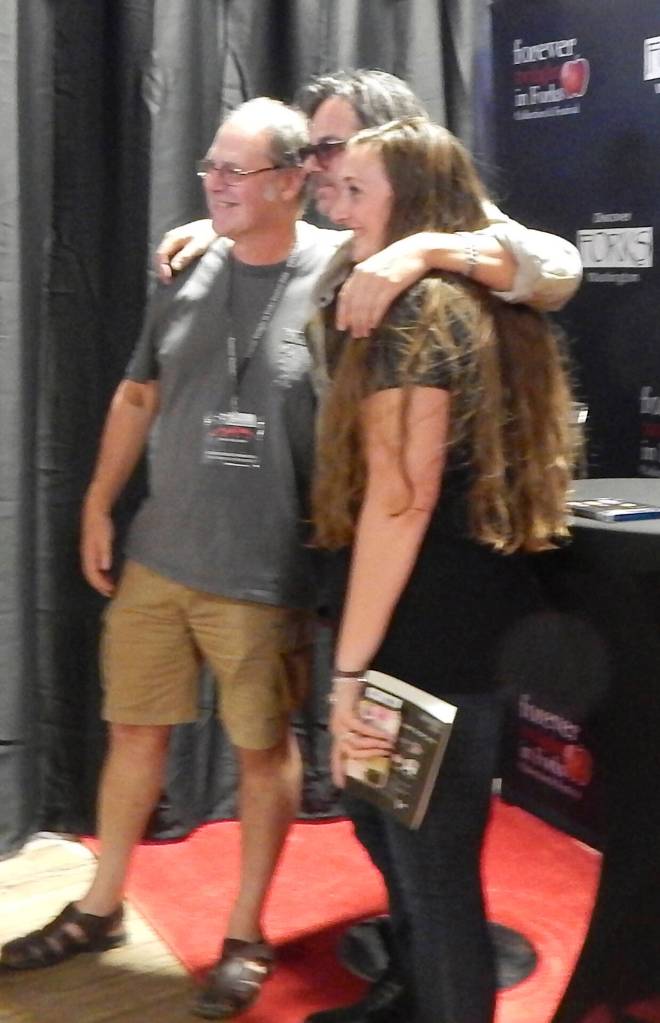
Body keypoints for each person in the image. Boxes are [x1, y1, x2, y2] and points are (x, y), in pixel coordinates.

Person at [0, 97, 344, 1022]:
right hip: (160, 557)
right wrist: (97, 503)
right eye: (209, 168)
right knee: (132, 730)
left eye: (235, 170)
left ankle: (244, 932)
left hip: (264, 573)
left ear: (291, 179)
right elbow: (136, 394)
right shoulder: (187, 265)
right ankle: (100, 907)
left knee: (262, 749)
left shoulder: (342, 273)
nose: (214, 184)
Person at [304, 117, 577, 1023]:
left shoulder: (418, 312)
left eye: (357, 191)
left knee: (434, 876)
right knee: (411, 855)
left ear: (414, 204)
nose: (338, 208)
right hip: (450, 630)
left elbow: (399, 502)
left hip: (421, 643)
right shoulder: (476, 305)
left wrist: (350, 673)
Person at [155, 69, 582, 337]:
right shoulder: (352, 242)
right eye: (308, 152)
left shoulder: (460, 228)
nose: (312, 167)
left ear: (393, 145)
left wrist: (425, 249)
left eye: (328, 149)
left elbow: (559, 267)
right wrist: (226, 228)